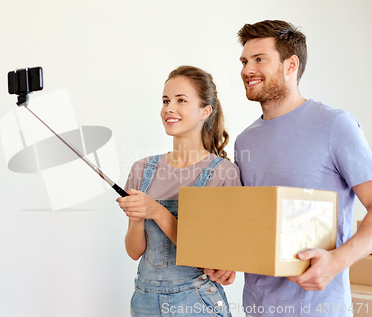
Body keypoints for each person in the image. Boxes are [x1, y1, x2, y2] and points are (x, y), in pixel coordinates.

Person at [229, 20, 372, 316]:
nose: (246, 69)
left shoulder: (335, 125)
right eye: (244, 61)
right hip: (255, 309)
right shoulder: (245, 140)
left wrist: (335, 262)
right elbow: (251, 223)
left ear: (290, 65)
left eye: (259, 59)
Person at [117, 65, 241, 317]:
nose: (168, 109)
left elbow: (210, 259)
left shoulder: (223, 173)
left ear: (205, 111)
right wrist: (138, 217)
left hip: (197, 301)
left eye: (181, 100)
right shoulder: (142, 169)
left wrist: (157, 211)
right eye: (165, 101)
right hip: (144, 301)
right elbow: (133, 251)